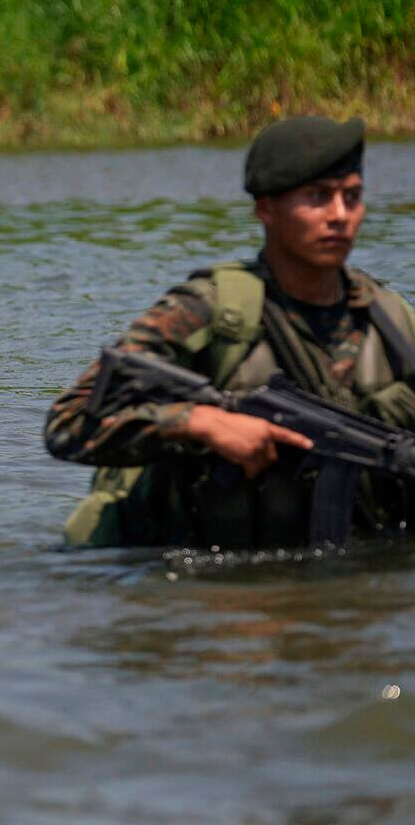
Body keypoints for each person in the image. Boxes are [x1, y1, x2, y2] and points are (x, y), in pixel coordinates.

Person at [45, 116, 415, 549]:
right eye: (317, 198)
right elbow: (67, 425)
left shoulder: (392, 321)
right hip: (211, 585)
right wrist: (198, 422)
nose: (339, 216)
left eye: (352, 197)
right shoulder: (213, 311)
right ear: (266, 209)